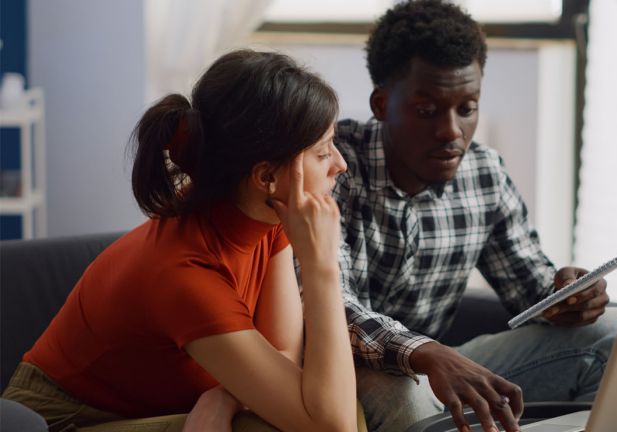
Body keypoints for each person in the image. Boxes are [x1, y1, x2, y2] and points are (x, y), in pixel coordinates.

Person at [2, 50, 358, 432]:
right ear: (266, 177)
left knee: (342, 404)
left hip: (155, 405)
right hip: (60, 420)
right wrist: (321, 267)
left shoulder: (268, 217)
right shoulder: (184, 272)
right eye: (323, 152)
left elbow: (284, 356)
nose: (341, 164)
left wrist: (224, 395)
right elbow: (332, 426)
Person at [332, 1, 617, 431]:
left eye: (467, 108)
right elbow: (333, 308)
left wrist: (568, 297)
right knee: (403, 391)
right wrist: (426, 352)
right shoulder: (333, 168)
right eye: (427, 111)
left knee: (613, 333)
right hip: (349, 369)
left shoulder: (484, 173)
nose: (452, 131)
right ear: (381, 104)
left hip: (438, 361)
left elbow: (532, 292)